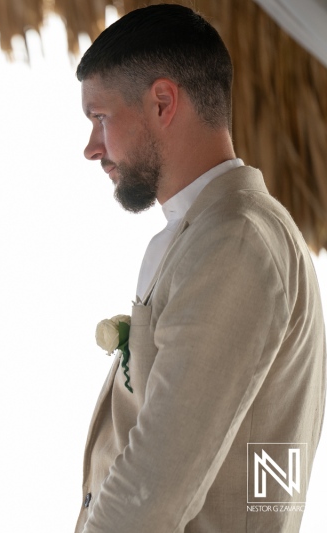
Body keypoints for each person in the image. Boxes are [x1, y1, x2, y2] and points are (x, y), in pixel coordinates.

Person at [75, 4, 325, 532]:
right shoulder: (216, 232)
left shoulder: (235, 242)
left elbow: (152, 492)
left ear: (163, 102)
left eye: (100, 118)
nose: (91, 148)